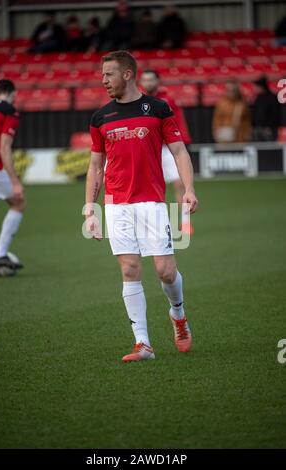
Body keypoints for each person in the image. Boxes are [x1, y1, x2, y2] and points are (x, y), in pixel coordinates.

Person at [85, 51, 198, 363]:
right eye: (102, 74)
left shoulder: (158, 109)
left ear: (127, 74)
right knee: (130, 269)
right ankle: (143, 343)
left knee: (165, 271)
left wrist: (188, 189)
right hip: (116, 204)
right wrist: (89, 209)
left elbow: (179, 152)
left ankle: (179, 315)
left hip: (152, 202)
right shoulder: (100, 117)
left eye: (108, 74)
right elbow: (95, 166)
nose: (103, 80)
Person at [140, 69, 193, 234]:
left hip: (168, 148)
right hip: (148, 149)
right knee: (148, 188)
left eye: (151, 79)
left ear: (158, 81)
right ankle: (152, 225)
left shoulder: (168, 99)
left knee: (179, 184)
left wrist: (184, 140)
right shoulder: (136, 100)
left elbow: (178, 122)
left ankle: (184, 223)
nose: (148, 82)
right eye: (145, 80)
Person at [0, 80, 25, 274]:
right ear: (12, 93)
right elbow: (4, 148)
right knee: (18, 202)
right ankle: (0, 253)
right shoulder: (9, 111)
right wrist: (15, 181)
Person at [252, 76, 280, 142]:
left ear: (261, 87)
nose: (254, 89)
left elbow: (275, 115)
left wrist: (270, 127)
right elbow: (255, 113)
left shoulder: (273, 98)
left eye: (256, 87)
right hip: (258, 128)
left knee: (269, 149)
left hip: (269, 129)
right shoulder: (258, 98)